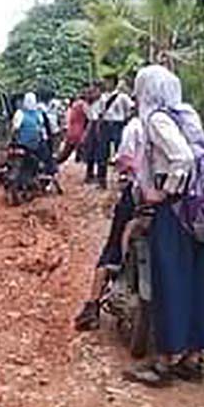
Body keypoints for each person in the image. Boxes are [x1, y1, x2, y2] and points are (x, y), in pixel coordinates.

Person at [123, 64, 204, 387]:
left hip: (176, 210)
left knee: (170, 280)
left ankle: (165, 362)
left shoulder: (156, 119)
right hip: (201, 211)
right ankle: (193, 358)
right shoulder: (188, 114)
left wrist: (162, 193)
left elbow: (183, 158)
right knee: (200, 278)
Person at [74, 114, 143, 330]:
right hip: (174, 203)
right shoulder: (179, 122)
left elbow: (123, 160)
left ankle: (92, 305)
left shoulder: (135, 126)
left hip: (138, 197)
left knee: (113, 246)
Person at [96, 74, 133, 188]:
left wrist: (126, 120)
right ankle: (101, 178)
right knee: (102, 152)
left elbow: (131, 108)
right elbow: (100, 113)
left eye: (109, 81)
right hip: (106, 124)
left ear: (114, 82)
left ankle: (123, 175)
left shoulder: (122, 97)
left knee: (120, 149)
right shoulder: (102, 97)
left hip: (118, 124)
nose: (107, 84)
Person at [12, 92, 55, 172]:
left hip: (22, 144)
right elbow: (41, 129)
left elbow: (15, 129)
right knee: (47, 157)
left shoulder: (19, 113)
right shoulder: (39, 114)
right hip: (35, 144)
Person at [56, 88, 88, 164]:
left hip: (71, 130)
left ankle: (54, 163)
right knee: (81, 153)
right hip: (79, 131)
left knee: (66, 151)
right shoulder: (83, 105)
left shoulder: (74, 105)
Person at [82, 81, 105, 184]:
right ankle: (89, 173)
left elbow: (100, 115)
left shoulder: (103, 101)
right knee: (90, 151)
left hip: (99, 125)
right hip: (91, 124)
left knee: (100, 152)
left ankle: (100, 176)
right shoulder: (88, 103)